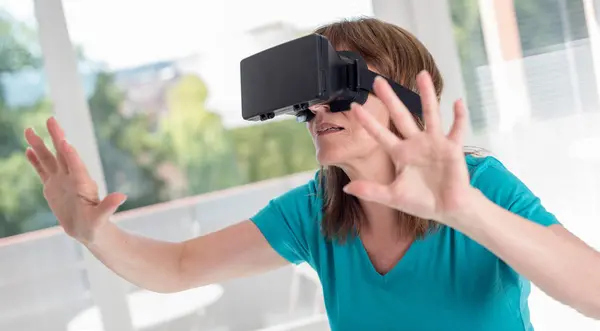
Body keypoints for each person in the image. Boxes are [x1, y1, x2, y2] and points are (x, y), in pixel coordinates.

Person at [24, 17, 600, 331]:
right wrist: (94, 233)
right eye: (309, 103)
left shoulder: (477, 185)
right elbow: (178, 267)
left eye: (337, 90)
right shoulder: (314, 210)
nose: (318, 112)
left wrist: (466, 211)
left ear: (401, 97)